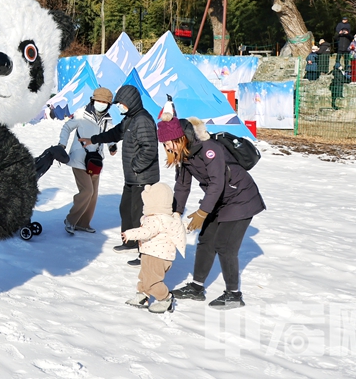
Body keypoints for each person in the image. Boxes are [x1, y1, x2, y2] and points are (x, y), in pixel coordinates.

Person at [159, 115, 265, 309]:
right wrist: (176, 213)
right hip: (218, 200)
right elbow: (182, 186)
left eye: (169, 143)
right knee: (206, 241)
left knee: (225, 247)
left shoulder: (210, 149)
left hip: (240, 199)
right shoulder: (185, 155)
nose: (167, 148)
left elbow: (217, 182)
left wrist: (202, 212)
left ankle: (234, 294)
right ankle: (196, 288)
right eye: (164, 145)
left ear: (181, 138)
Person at [83, 84, 159, 266]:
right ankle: (131, 241)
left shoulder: (143, 120)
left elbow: (149, 149)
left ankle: (145, 252)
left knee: (141, 216)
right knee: (126, 209)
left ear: (130, 102)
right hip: (132, 177)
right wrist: (93, 139)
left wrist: (135, 166)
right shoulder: (130, 119)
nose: (119, 106)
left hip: (143, 177)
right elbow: (115, 133)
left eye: (121, 103)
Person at [56, 87, 118, 234]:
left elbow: (109, 135)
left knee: (94, 193)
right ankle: (70, 220)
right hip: (79, 158)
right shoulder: (81, 114)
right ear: (93, 100)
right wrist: (62, 144)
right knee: (87, 191)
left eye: (105, 102)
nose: (101, 104)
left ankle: (83, 223)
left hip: (95, 160)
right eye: (99, 101)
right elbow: (66, 127)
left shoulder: (107, 119)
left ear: (109, 104)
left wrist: (112, 146)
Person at [123, 182, 187, 314]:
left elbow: (147, 232)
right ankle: (142, 296)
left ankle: (165, 299)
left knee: (152, 281)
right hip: (159, 255)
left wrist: (130, 234)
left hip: (155, 255)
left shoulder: (154, 219)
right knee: (145, 276)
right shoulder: (169, 218)